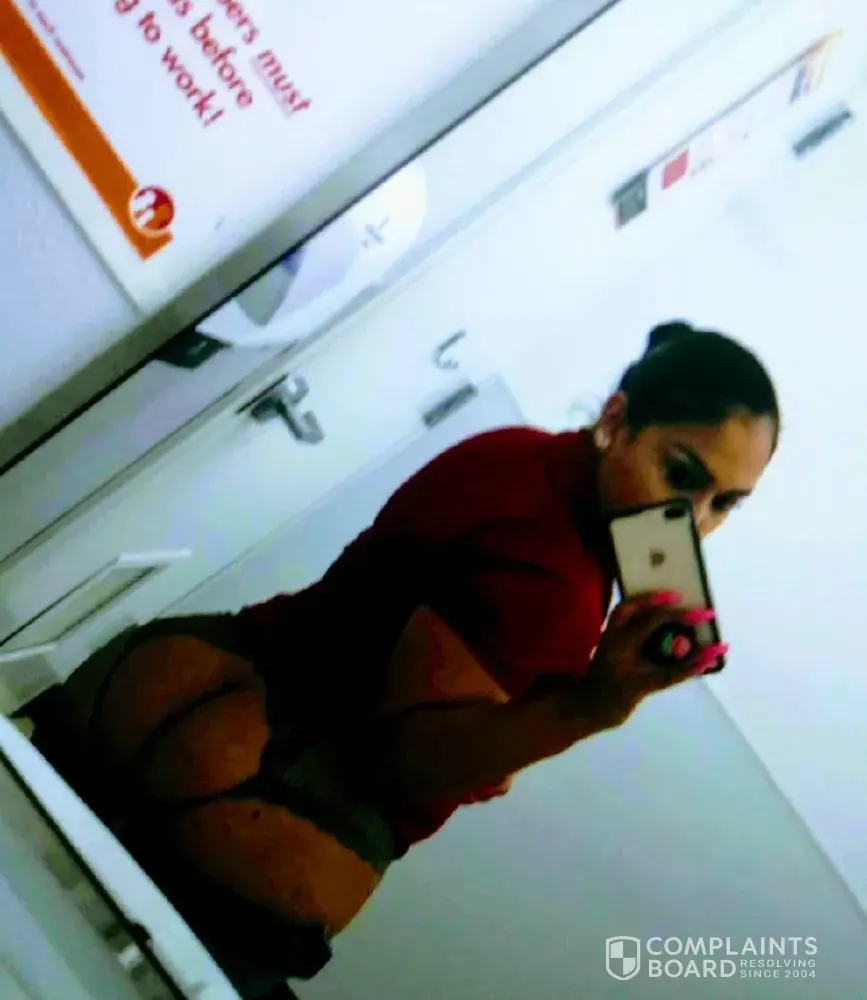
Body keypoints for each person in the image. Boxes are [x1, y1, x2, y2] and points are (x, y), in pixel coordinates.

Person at [25, 320, 779, 998]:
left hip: (153, 691)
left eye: (724, 503)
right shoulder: (559, 587)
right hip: (253, 816)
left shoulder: (516, 451)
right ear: (616, 420)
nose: (693, 522)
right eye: (680, 475)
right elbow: (407, 763)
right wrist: (589, 707)